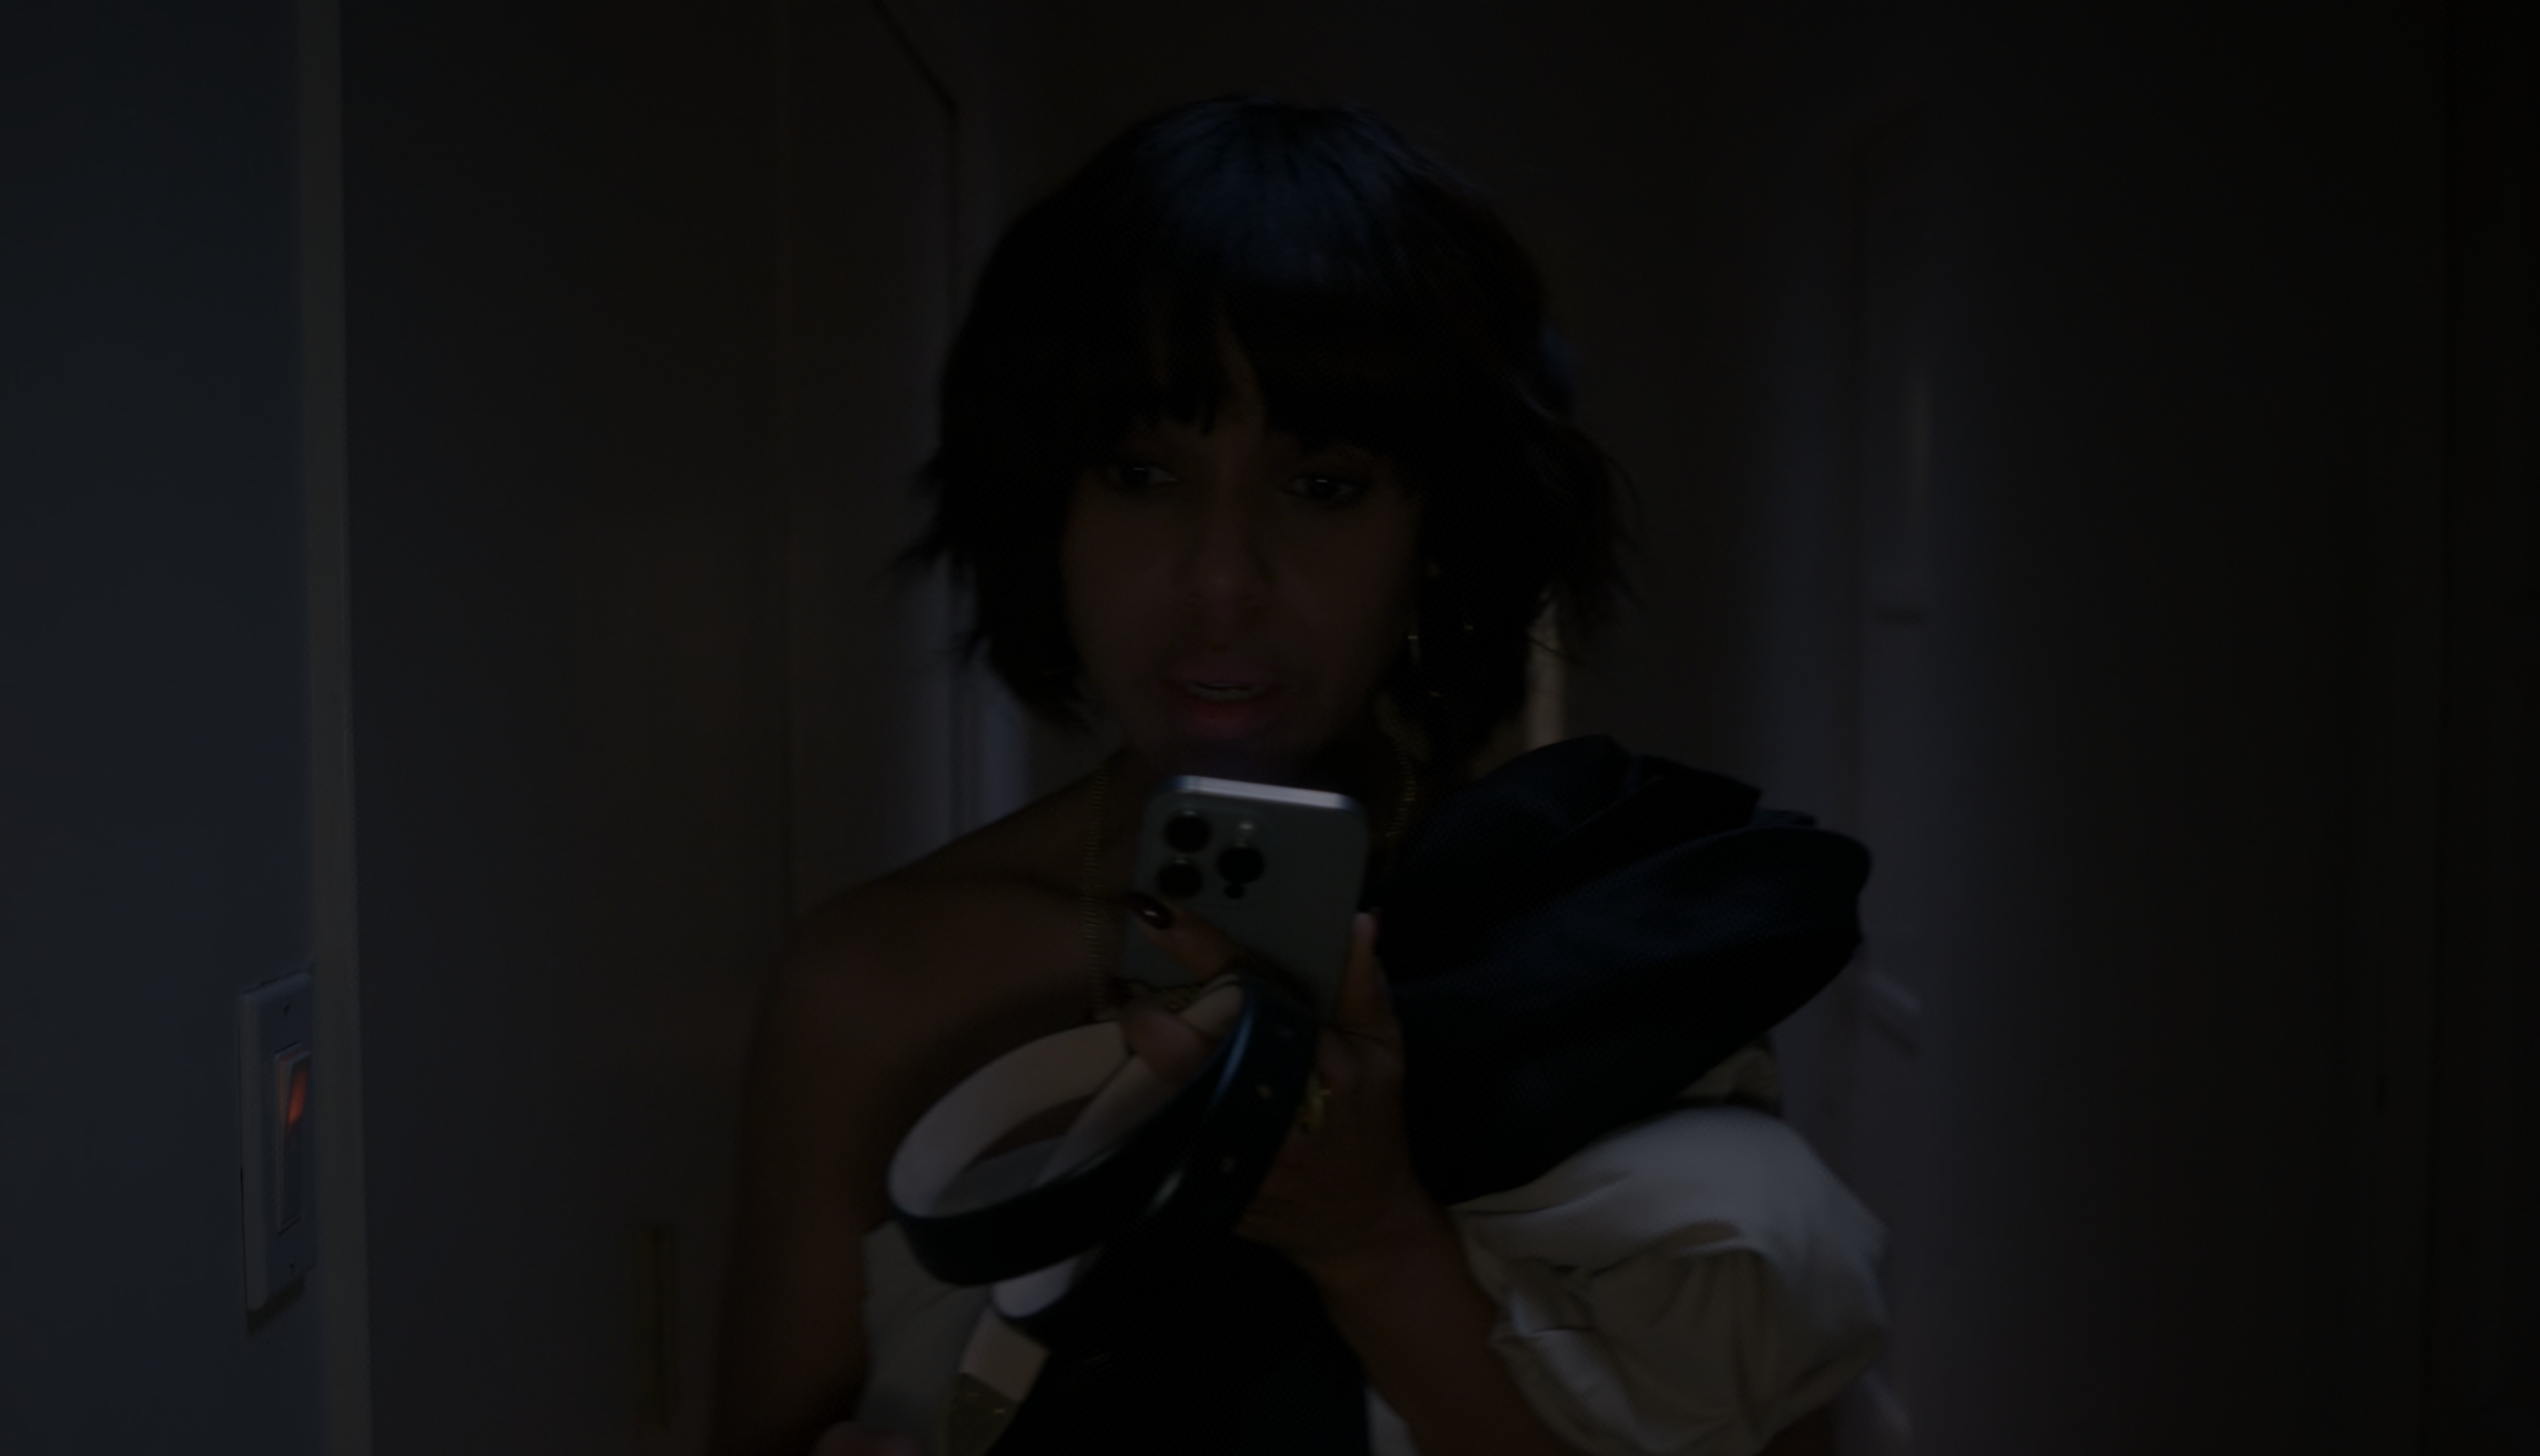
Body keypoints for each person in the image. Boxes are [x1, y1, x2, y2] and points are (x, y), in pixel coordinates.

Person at [711, 98, 1885, 1456]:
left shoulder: (1595, 943)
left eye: (1322, 485)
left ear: (1439, 531)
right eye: (1141, 471)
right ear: (1046, 505)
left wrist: (1377, 1241)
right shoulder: (873, 987)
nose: (1222, 583)